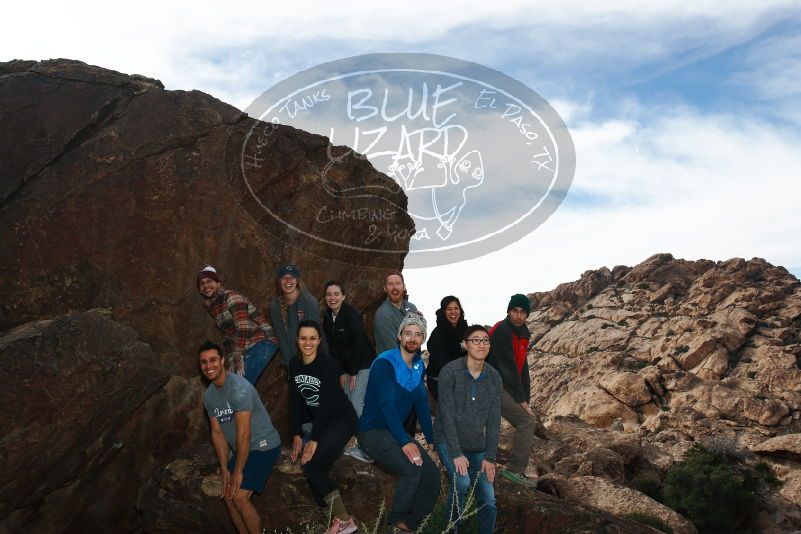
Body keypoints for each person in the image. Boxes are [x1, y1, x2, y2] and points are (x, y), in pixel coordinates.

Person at [358, 312, 439, 533]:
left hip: (394, 433)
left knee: (432, 477)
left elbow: (421, 402)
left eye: (418, 334)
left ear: (423, 339)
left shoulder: (418, 365)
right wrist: (405, 440)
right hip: (372, 432)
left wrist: (432, 439)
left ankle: (411, 525)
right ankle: (395, 523)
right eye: (408, 333)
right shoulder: (385, 363)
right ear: (399, 336)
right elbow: (386, 405)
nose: (412, 338)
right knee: (412, 471)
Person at [199, 340, 282, 534]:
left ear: (222, 360)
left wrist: (237, 470)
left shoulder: (239, 388)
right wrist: (224, 469)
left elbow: (244, 433)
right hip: (243, 449)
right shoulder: (209, 396)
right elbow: (217, 433)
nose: (209, 366)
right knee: (228, 497)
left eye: (213, 360)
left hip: (263, 445)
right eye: (204, 362)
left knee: (239, 497)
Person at [288, 320, 358, 534]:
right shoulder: (294, 364)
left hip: (342, 418)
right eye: (303, 338)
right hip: (322, 422)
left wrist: (314, 440)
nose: (307, 342)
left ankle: (345, 521)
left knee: (311, 466)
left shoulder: (328, 364)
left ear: (319, 340)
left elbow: (326, 405)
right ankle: (333, 520)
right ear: (297, 340)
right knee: (313, 467)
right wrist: (297, 434)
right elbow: (296, 401)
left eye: (312, 338)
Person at [435, 325, 501, 534]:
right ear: (464, 345)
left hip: (476, 444)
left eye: (485, 340)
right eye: (475, 340)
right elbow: (446, 415)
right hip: (448, 439)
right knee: (462, 482)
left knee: (489, 498)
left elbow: (493, 420)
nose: (481, 344)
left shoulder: (494, 377)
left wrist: (490, 458)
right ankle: (451, 530)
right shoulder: (450, 372)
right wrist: (456, 453)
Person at [321, 281, 376, 463]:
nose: (332, 298)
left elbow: (359, 342)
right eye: (329, 294)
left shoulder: (351, 314)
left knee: (355, 401)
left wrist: (352, 371)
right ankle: (344, 442)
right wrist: (341, 372)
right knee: (344, 403)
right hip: (347, 368)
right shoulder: (327, 317)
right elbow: (333, 349)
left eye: (336, 294)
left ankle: (367, 448)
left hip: (364, 364)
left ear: (343, 296)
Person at [197, 265, 278, 385]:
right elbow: (228, 338)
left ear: (218, 283)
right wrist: (231, 363)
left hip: (261, 343)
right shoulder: (215, 307)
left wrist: (237, 357)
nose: (206, 286)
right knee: (232, 384)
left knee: (241, 387)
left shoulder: (231, 297)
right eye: (202, 283)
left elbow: (243, 327)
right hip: (247, 348)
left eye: (209, 281)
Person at [487, 294, 537, 486]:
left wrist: (526, 399)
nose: (518, 315)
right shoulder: (503, 331)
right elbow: (507, 368)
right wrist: (520, 400)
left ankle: (515, 469)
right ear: (508, 311)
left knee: (526, 416)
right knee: (527, 421)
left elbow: (522, 368)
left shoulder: (522, 333)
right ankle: (515, 471)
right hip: (491, 384)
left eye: (522, 312)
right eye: (514, 311)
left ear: (527, 315)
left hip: (502, 385)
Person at [269, 264, 325, 366]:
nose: (288, 281)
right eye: (284, 278)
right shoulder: (275, 306)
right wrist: (290, 364)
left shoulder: (309, 302)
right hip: (291, 360)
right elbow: (281, 337)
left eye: (291, 277)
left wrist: (307, 365)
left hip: (314, 358)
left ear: (297, 281)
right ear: (279, 281)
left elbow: (312, 338)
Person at [425, 296, 467, 400]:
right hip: (440, 381)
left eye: (456, 308)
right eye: (449, 309)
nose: (453, 312)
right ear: (443, 311)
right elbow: (444, 362)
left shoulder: (466, 331)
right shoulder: (438, 333)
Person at [373, 270, 418, 354]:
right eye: (390, 284)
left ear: (404, 287)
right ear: (385, 288)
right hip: (392, 363)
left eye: (398, 283)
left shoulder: (412, 308)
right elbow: (394, 350)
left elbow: (417, 338)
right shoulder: (383, 315)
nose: (394, 287)